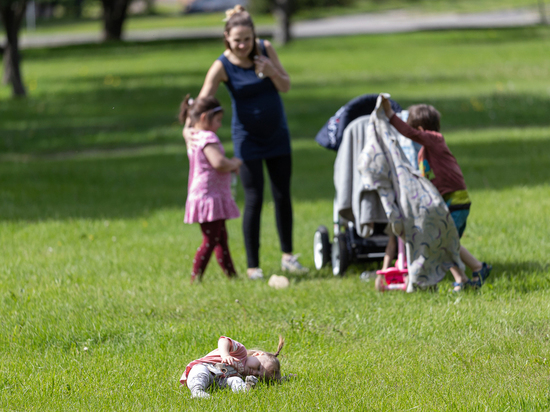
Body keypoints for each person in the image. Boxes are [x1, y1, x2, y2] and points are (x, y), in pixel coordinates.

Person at [183, 5, 307, 280]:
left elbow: (285, 86)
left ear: (254, 37)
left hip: (278, 135)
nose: (242, 45)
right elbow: (201, 103)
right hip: (248, 140)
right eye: (237, 40)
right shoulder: (221, 66)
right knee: (254, 198)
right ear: (226, 37)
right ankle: (253, 267)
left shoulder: (265, 50)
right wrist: (187, 130)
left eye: (247, 39)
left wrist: (271, 70)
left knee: (282, 195)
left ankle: (288, 256)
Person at [381, 96, 492, 291]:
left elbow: (408, 132)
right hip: (447, 202)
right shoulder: (424, 151)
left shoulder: (435, 140)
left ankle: (476, 268)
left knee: (445, 243)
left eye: (415, 131)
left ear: (421, 129)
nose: (412, 135)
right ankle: (463, 278)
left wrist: (390, 115)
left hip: (456, 201)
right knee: (445, 243)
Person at [180, 94, 242, 283]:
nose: (220, 125)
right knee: (211, 239)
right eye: (218, 120)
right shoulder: (207, 137)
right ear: (205, 118)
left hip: (206, 194)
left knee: (220, 237)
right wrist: (234, 163)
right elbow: (218, 162)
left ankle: (232, 276)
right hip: (209, 196)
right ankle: (195, 277)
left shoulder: (194, 136)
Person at [180, 335, 285, 398]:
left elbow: (275, 380)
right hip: (204, 367)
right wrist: (225, 354)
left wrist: (285, 378)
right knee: (201, 372)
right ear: (257, 354)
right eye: (258, 367)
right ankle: (197, 391)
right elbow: (223, 340)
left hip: (217, 381)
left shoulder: (241, 375)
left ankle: (245, 392)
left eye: (258, 376)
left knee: (235, 380)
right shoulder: (240, 353)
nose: (254, 373)